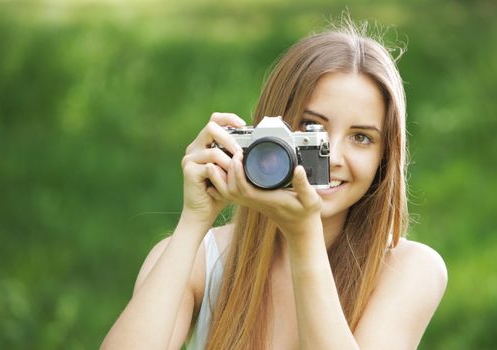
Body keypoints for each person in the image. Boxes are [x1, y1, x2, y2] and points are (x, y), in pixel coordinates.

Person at [101, 20, 448, 350]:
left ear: (384, 158)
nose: (332, 156)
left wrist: (303, 236)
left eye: (361, 137)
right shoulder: (203, 258)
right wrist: (194, 219)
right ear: (268, 134)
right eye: (312, 127)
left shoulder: (410, 269)